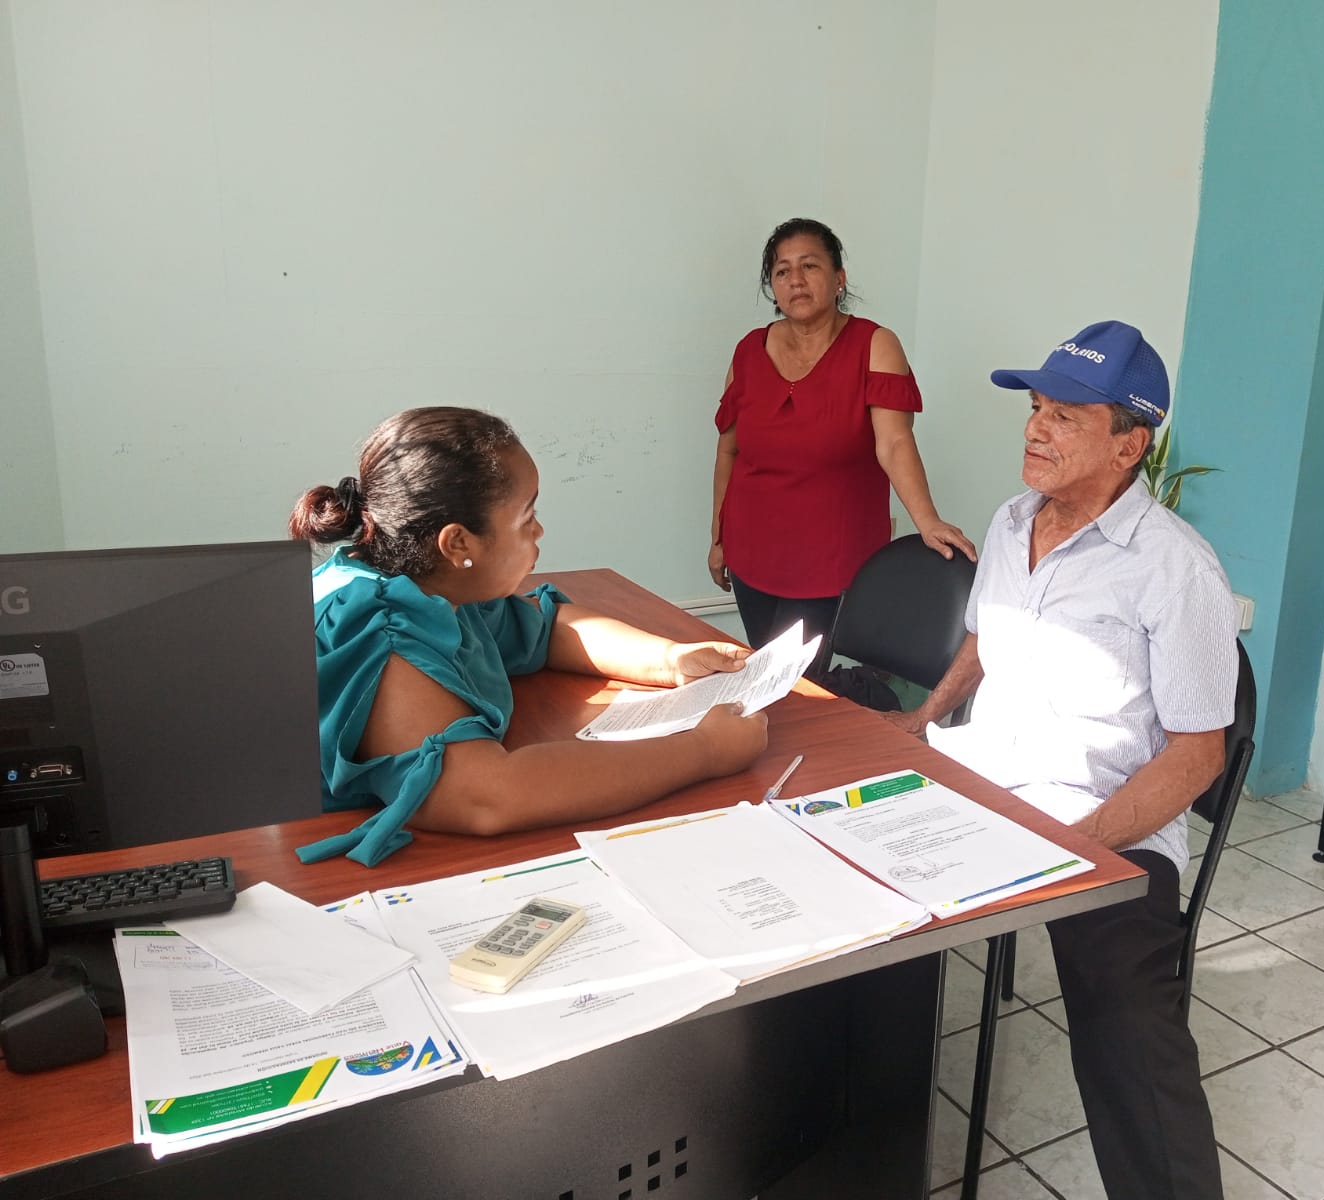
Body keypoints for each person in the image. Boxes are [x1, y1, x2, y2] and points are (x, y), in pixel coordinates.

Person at [887, 321, 1236, 1200]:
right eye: (1036, 408)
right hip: (982, 784)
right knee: (847, 898)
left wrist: (1081, 846)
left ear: (1129, 445)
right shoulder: (1011, 525)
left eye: (1064, 417)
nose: (1035, 429)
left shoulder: (1175, 569)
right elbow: (984, 636)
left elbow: (1199, 755)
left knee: (1129, 1021)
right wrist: (924, 716)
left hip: (1107, 822)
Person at [288, 406, 769, 867]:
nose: (539, 530)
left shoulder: (425, 579)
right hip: (320, 861)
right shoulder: (386, 634)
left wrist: (671, 659)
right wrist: (705, 750)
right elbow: (488, 796)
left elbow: (551, 629)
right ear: (458, 543)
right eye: (525, 517)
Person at [708, 217, 975, 703]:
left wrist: (927, 520)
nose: (796, 280)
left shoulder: (874, 345)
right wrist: (718, 538)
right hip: (751, 549)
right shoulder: (748, 351)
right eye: (783, 271)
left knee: (796, 688)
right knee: (763, 677)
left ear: (839, 278)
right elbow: (729, 448)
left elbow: (894, 443)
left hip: (829, 556)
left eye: (809, 266)